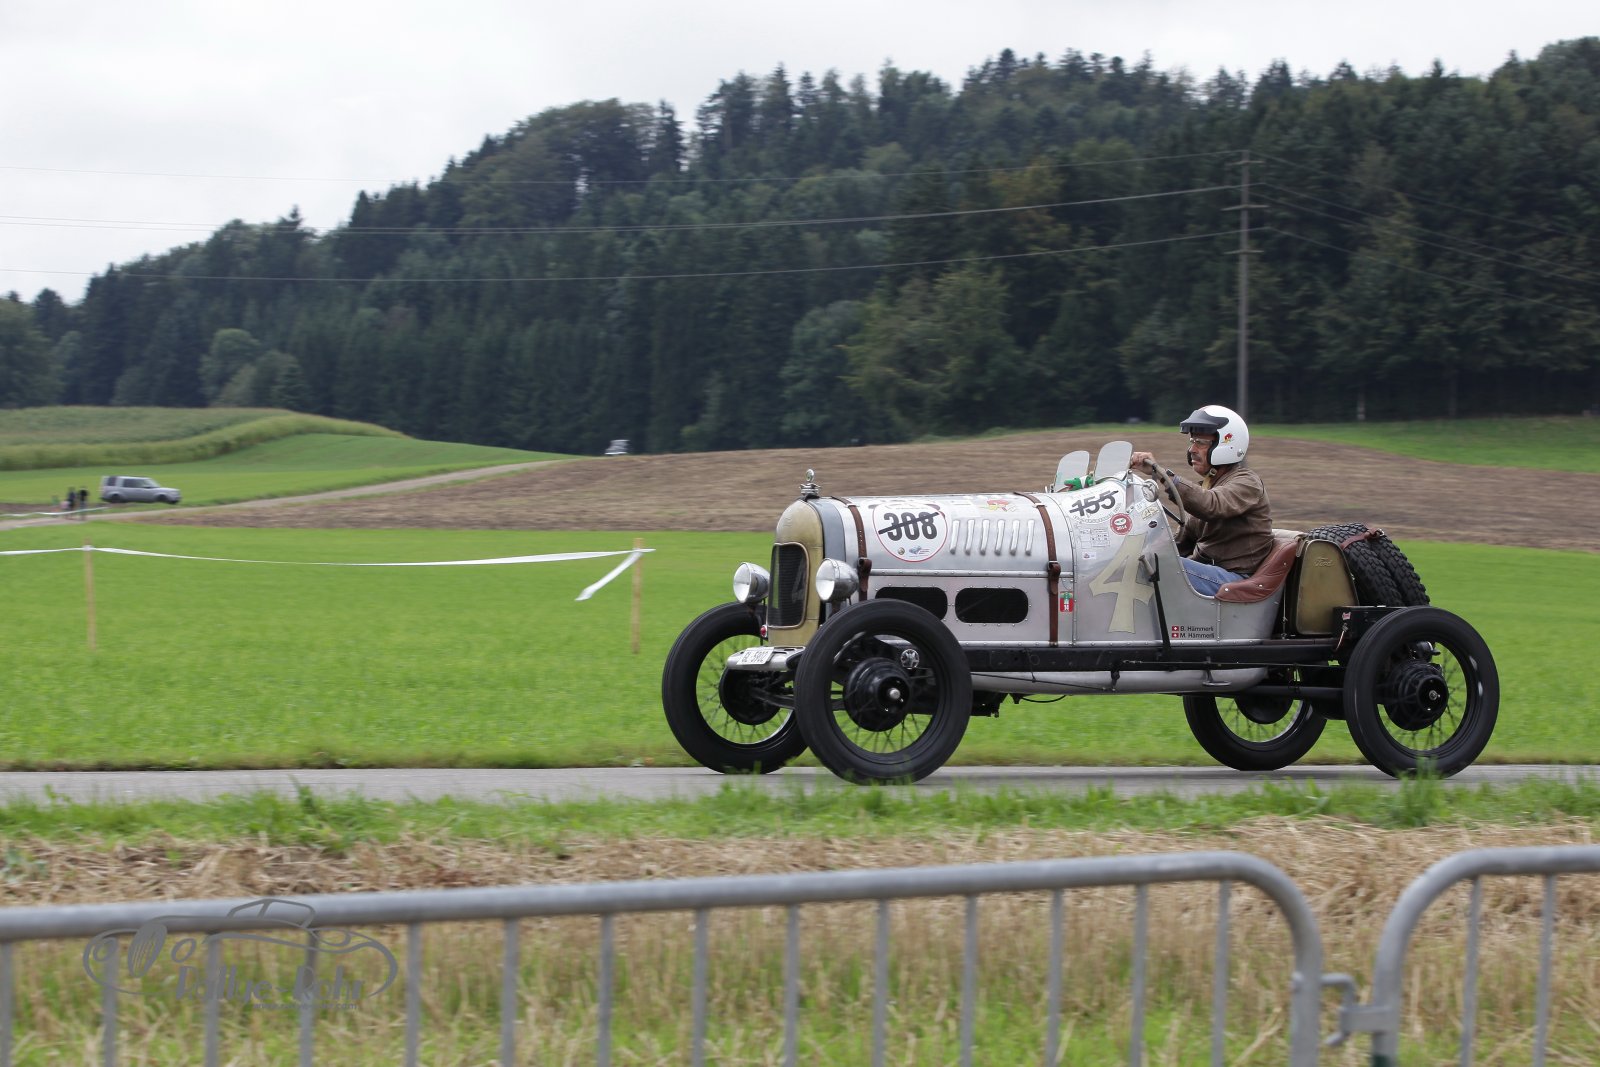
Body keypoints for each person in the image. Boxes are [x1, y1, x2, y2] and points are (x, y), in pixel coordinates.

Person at [1130, 404, 1274, 597]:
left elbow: (1211, 505)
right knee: (1141, 560)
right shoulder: (1209, 486)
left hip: (1235, 577)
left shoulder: (1247, 483)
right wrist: (1138, 549)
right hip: (1210, 572)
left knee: (1158, 565)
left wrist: (1162, 474)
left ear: (1226, 445)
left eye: (1201, 442)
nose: (1192, 449)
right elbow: (1180, 543)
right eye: (1192, 441)